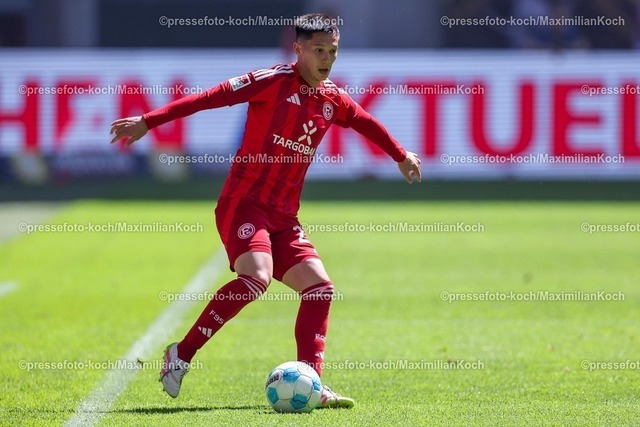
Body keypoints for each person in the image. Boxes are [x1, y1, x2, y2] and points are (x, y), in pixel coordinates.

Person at [109, 13, 422, 409]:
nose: (327, 59)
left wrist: (400, 155)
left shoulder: (331, 99)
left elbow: (366, 122)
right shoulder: (270, 81)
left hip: (284, 217)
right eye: (319, 50)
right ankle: (181, 355)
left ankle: (312, 382)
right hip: (244, 205)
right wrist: (148, 121)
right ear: (298, 49)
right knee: (256, 279)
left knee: (320, 289)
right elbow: (208, 98)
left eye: (333, 52)